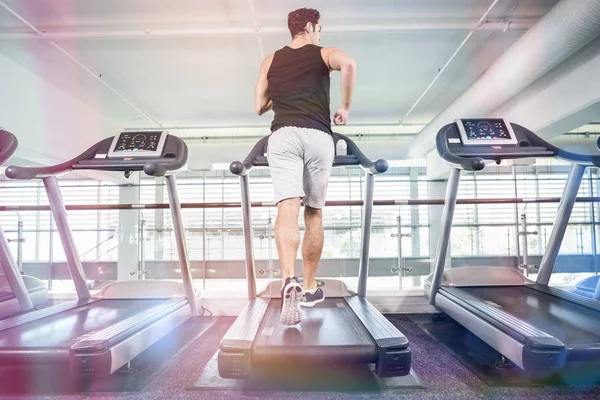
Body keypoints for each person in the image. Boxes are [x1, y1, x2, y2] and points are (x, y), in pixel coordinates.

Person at [253, 8, 356, 325]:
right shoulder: (325, 53)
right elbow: (349, 64)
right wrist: (345, 106)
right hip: (318, 136)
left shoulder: (270, 60)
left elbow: (259, 106)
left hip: (283, 136)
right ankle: (310, 287)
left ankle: (288, 279)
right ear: (310, 27)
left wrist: (283, 93)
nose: (320, 34)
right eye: (319, 29)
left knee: (287, 208)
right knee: (314, 212)